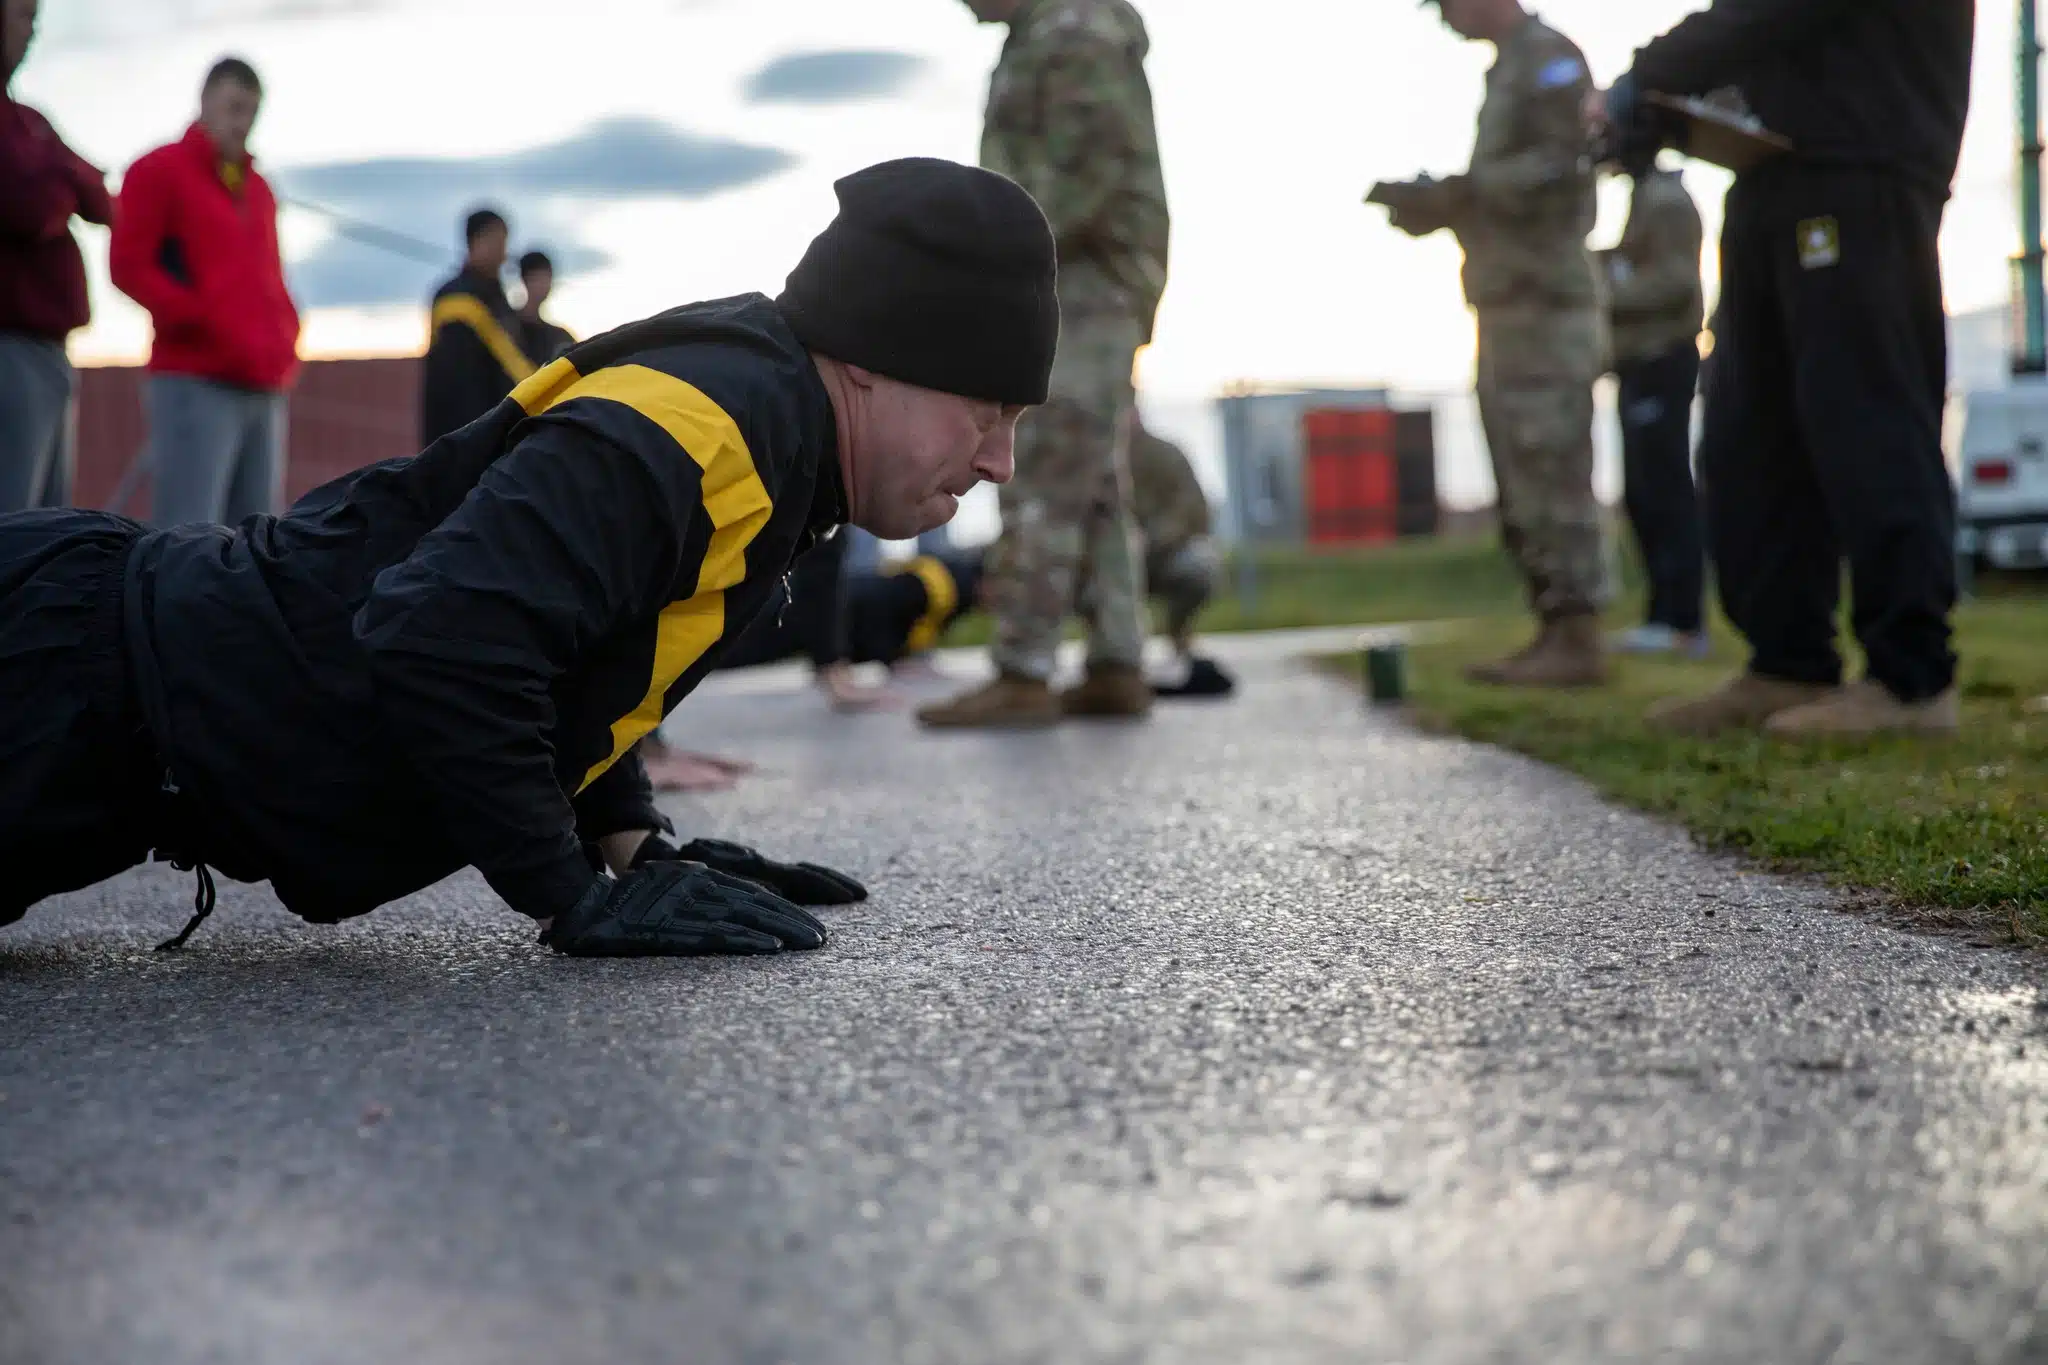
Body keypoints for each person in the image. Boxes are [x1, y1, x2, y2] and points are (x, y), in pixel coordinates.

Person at [0, 157, 1052, 958]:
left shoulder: (768, 427)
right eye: (986, 410)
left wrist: (631, 841)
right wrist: (571, 897)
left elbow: (574, 638)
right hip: (52, 677)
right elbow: (443, 633)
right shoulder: (704, 432)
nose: (1000, 460)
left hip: (106, 708)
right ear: (871, 362)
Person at [1595, 1, 1973, 736]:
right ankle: (1785, 662)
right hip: (1771, 173)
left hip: (1860, 174)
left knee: (1867, 422)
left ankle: (1913, 679)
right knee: (1747, 433)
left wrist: (1644, 77)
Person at [919, 0, 1170, 729]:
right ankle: (1117, 662)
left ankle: (1024, 669)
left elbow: (1084, 169)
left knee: (1045, 467)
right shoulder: (1055, 30)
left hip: (1080, 281)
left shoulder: (1074, 29)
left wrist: (988, 261)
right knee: (1093, 482)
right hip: (1085, 281)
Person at [1374, 0, 1607, 688]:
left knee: (1550, 463)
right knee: (1521, 471)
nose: (1443, 16)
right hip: (1509, 302)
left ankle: (1577, 634)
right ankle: (1554, 627)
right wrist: (1445, 205)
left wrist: (1462, 194)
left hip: (1544, 303)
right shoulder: (1510, 69)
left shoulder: (1547, 57)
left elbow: (1568, 165)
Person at [109, 56, 299, 527]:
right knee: (191, 536)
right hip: (194, 379)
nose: (243, 124)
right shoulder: (158, 171)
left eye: (251, 113)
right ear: (205, 101)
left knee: (257, 541)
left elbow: (269, 278)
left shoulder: (258, 189)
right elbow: (128, 266)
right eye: (234, 107)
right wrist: (200, 319)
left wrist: (285, 333)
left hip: (263, 382)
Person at [0, 0, 109, 515]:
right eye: (22, 15)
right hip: (9, 350)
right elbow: (27, 206)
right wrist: (61, 182)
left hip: (48, 354)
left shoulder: (29, 122)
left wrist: (59, 182)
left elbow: (100, 198)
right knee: (14, 527)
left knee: (46, 528)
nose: (32, 31)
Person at [1600, 151, 1707, 658]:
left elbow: (1674, 282)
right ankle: (1663, 616)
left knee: (1663, 488)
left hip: (1661, 359)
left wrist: (1602, 286)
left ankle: (1683, 622)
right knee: (1642, 492)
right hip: (1638, 363)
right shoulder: (1646, 197)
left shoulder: (1664, 202)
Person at [420, 207, 531, 445]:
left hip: (500, 429)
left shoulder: (499, 300)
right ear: (475, 241)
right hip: (463, 432)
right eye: (496, 241)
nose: (503, 253)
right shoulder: (456, 299)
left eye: (504, 242)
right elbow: (457, 380)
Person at [515, 249, 575, 364]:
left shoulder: (559, 337)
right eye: (538, 278)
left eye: (548, 277)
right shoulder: (506, 329)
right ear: (525, 280)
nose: (544, 285)